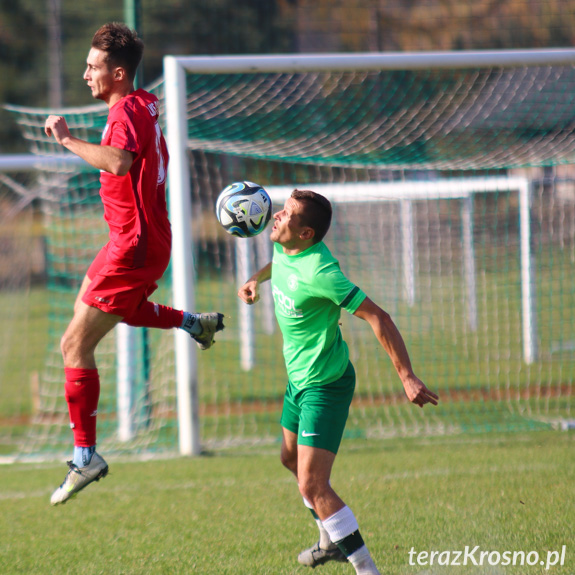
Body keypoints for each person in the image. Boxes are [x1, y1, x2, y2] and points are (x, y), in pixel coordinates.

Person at [43, 22, 224, 506]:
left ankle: (86, 458)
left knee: (73, 345)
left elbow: (119, 163)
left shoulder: (126, 110)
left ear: (118, 72)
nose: (85, 74)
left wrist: (65, 141)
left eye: (93, 66)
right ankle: (192, 322)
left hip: (134, 245)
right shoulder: (142, 101)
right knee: (104, 309)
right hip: (138, 239)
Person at [238, 190, 439, 574]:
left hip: (325, 385)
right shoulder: (287, 247)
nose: (276, 216)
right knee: (289, 459)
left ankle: (367, 569)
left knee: (312, 485)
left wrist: (407, 376)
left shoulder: (321, 272)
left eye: (287, 214)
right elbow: (279, 263)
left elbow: (379, 316)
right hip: (298, 379)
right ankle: (330, 540)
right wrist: (255, 279)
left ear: (306, 234)